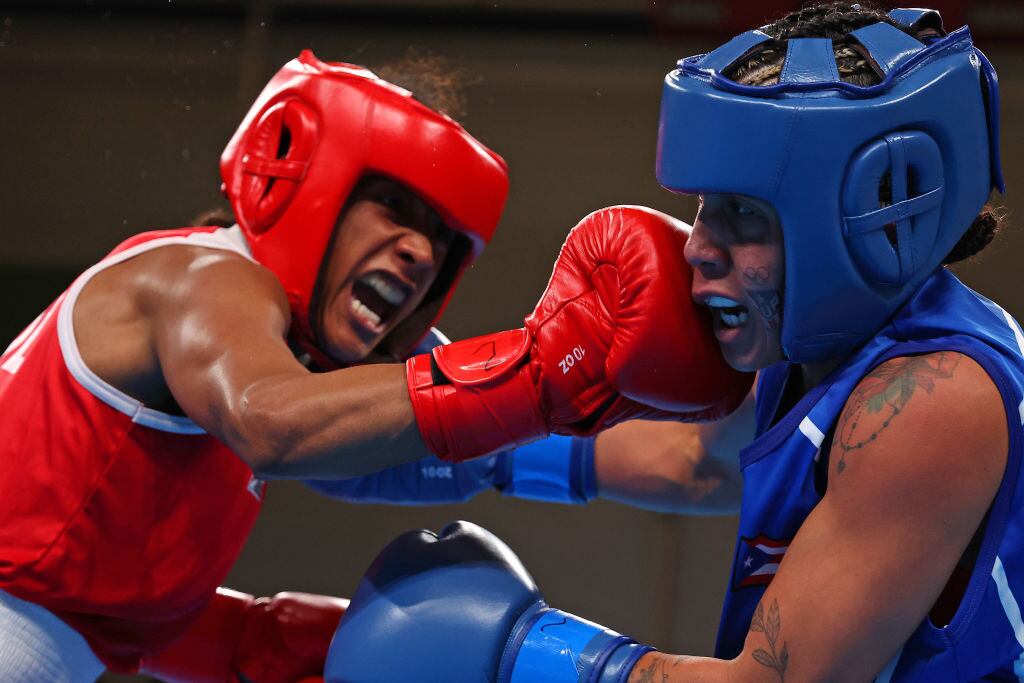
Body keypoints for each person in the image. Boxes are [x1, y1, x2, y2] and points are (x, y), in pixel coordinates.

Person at [0, 48, 749, 681]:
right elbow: (273, 423)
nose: (420, 253)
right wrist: (540, 367)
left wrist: (747, 344)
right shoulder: (203, 280)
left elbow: (690, 469)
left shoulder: (299, 385)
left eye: (440, 237)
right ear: (308, 184)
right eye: (395, 207)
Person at [325, 4, 1023, 681]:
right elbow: (698, 462)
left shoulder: (932, 399)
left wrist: (518, 652)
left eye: (743, 213)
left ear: (866, 218)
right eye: (703, 207)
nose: (696, 247)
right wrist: (474, 449)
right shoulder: (818, 353)